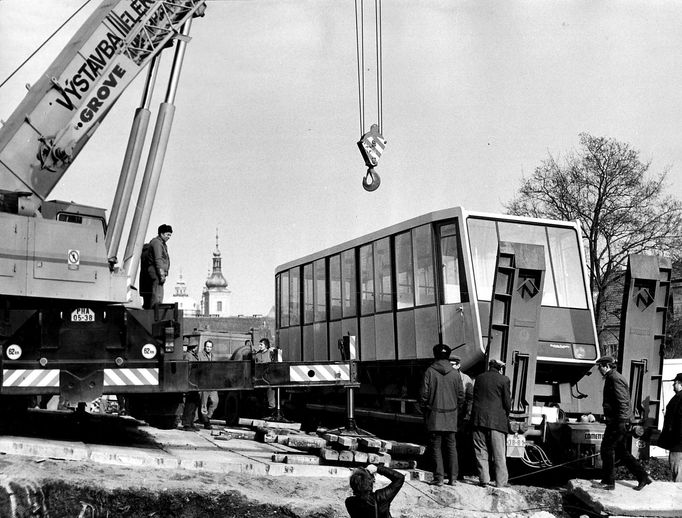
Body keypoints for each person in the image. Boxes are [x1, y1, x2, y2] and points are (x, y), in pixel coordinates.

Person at [594, 355, 652, 491]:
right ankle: (643, 476)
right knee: (620, 451)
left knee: (606, 449)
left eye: (600, 367)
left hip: (618, 422)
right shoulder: (612, 377)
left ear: (607, 366)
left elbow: (623, 402)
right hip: (618, 421)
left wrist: (622, 421)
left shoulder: (614, 379)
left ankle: (608, 482)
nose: (599, 370)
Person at [419, 343, 465, 486]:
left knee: (436, 447)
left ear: (435, 355)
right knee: (451, 447)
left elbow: (424, 394)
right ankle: (453, 479)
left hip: (434, 416)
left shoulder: (430, 371)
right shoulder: (455, 374)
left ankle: (439, 478)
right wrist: (456, 410)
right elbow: (461, 396)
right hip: (451, 416)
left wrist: (424, 407)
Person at [470, 358, 512, 488]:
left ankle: (484, 480)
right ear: (500, 368)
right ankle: (501, 482)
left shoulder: (479, 378)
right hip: (496, 422)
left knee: (481, 450)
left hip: (479, 419)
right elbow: (507, 403)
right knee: (498, 453)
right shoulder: (504, 380)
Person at [452, 355, 474, 480]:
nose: (451, 366)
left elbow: (470, 398)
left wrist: (467, 414)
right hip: (450, 416)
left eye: (454, 364)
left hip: (461, 417)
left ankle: (460, 472)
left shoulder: (466, 379)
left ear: (459, 365)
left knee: (460, 446)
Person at [140, 224, 172, 309]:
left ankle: (155, 308)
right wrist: (161, 273)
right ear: (161, 234)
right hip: (156, 271)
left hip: (157, 270)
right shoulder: (157, 243)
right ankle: (155, 310)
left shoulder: (161, 243)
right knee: (157, 293)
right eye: (167, 234)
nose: (169, 237)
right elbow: (158, 259)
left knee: (158, 292)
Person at [658, 372, 682, 482]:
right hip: (678, 443)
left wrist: (676, 440)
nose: (673, 385)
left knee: (677, 470)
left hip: (678, 444)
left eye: (675, 383)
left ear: (680, 383)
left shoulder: (679, 398)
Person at [198, 340, 220, 430]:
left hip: (212, 383)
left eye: (210, 347)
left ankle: (208, 416)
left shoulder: (213, 356)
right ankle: (206, 422)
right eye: (207, 346)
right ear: (204, 346)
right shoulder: (200, 355)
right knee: (204, 403)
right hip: (203, 383)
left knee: (215, 401)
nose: (209, 348)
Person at [181, 341, 201, 431]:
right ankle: (187, 424)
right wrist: (188, 382)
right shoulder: (188, 356)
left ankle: (191, 422)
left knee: (194, 403)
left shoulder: (193, 355)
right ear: (194, 347)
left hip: (195, 383)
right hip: (190, 383)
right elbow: (187, 369)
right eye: (196, 347)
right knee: (190, 404)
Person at [254, 338, 276, 412]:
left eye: (261, 344)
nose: (259, 346)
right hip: (259, 377)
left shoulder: (271, 353)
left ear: (266, 345)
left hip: (269, 377)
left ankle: (272, 406)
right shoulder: (257, 355)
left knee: (270, 390)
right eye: (259, 344)